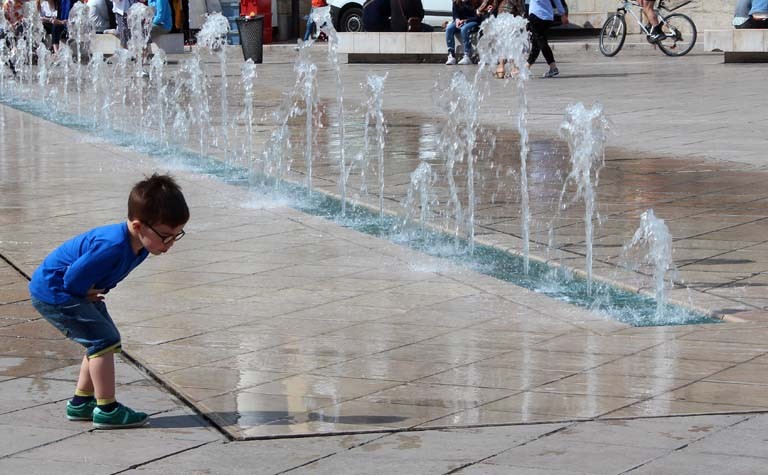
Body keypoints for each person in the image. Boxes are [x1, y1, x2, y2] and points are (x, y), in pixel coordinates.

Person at [29, 173, 189, 429]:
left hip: (73, 291)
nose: (170, 243)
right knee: (104, 340)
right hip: (55, 292)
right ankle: (107, 408)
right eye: (166, 236)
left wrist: (92, 290)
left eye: (177, 235)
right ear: (138, 226)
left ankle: (81, 403)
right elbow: (72, 278)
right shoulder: (112, 245)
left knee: (102, 341)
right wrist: (85, 292)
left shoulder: (143, 246)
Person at [526, 0, 567, 78]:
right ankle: (526, 67)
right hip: (547, 16)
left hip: (536, 15)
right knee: (537, 42)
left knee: (541, 42)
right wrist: (562, 14)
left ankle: (553, 66)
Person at [445, 0, 482, 65]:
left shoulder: (474, 2)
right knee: (449, 28)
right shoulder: (456, 1)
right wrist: (457, 20)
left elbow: (478, 17)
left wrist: (465, 21)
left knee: (464, 29)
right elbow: (455, 14)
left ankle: (467, 55)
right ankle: (451, 55)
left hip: (472, 21)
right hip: (461, 21)